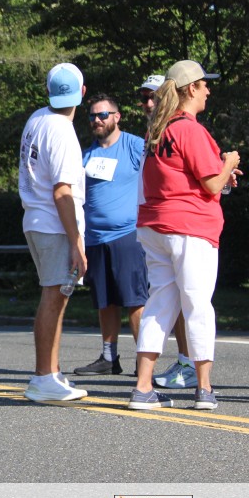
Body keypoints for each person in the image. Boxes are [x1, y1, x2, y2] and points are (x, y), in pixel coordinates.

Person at [127, 60, 240, 410]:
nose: (208, 90)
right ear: (191, 89)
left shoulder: (158, 129)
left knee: (159, 304)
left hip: (155, 225)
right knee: (197, 305)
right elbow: (212, 185)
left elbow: (183, 177)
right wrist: (230, 163)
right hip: (190, 228)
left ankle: (143, 387)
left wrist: (220, 175)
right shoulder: (190, 129)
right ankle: (204, 388)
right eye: (204, 84)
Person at [18, 63, 88, 401]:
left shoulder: (37, 119)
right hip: (54, 224)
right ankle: (43, 376)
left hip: (36, 218)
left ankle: (52, 373)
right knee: (54, 296)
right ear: (82, 93)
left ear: (48, 92)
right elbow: (62, 192)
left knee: (57, 296)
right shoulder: (62, 131)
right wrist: (76, 242)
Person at [72, 94, 148, 376]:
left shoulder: (134, 146)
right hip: (95, 239)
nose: (97, 120)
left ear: (117, 117)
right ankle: (109, 358)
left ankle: (144, 360)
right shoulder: (86, 155)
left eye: (103, 115)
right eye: (92, 116)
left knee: (135, 300)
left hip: (127, 236)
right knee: (105, 301)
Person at [139, 75, 197, 389]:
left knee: (188, 300)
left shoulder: (182, 129)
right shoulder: (152, 134)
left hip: (182, 226)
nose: (149, 103)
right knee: (163, 300)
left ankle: (192, 367)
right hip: (152, 226)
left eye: (155, 96)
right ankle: (148, 380)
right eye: (145, 98)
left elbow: (202, 177)